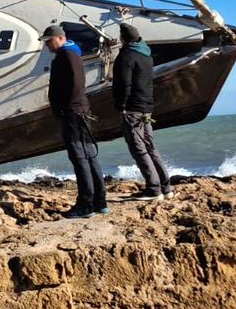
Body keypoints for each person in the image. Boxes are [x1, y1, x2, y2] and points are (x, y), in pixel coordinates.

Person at [42, 23, 107, 218]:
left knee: (79, 157)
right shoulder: (73, 54)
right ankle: (100, 202)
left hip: (73, 112)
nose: (47, 46)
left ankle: (85, 204)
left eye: (49, 41)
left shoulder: (66, 55)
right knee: (88, 155)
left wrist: (64, 108)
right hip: (80, 110)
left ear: (60, 38)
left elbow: (75, 84)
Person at [112, 22, 173, 201]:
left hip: (132, 108)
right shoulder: (146, 55)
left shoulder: (127, 56)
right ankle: (166, 187)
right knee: (151, 147)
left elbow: (125, 84)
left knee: (138, 148)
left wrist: (121, 106)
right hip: (147, 107)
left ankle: (154, 189)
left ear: (123, 38)